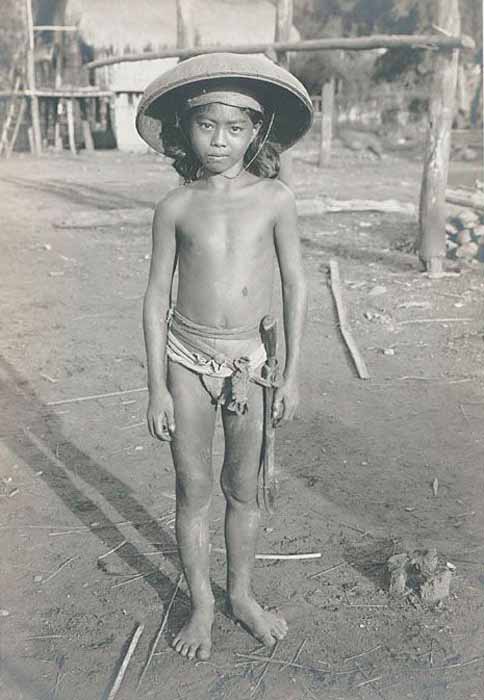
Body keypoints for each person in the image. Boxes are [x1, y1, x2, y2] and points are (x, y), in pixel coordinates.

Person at [137, 53, 313, 661]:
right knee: (193, 489)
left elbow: (295, 284)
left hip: (251, 366)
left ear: (256, 132)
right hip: (186, 358)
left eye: (234, 128)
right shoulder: (176, 206)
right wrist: (156, 385)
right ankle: (203, 606)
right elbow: (157, 293)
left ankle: (240, 595)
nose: (220, 140)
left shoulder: (275, 198)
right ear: (186, 128)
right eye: (206, 126)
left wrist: (290, 374)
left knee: (243, 490)